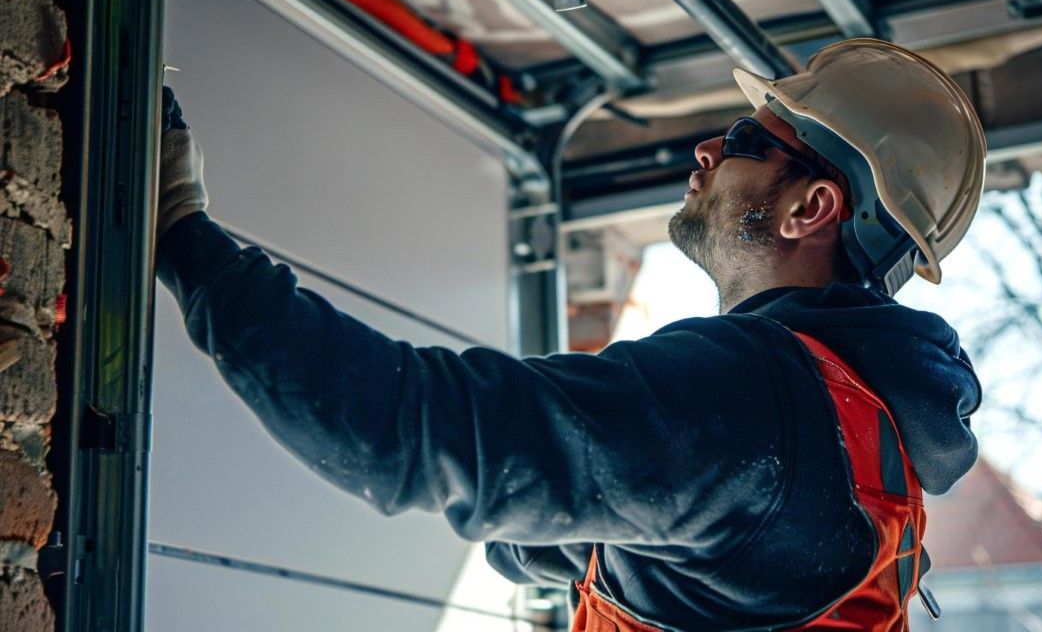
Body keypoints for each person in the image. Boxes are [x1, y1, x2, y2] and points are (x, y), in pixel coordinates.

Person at [155, 38, 985, 631]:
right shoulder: (869, 430)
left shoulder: (745, 393)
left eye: (745, 143)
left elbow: (401, 429)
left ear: (812, 209)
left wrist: (182, 235)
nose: (706, 149)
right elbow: (694, 563)